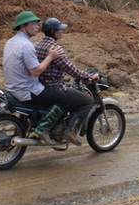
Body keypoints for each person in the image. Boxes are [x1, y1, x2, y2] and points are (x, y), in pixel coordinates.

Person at [2, 11, 69, 144]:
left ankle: (37, 121)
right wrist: (50, 56)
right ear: (23, 27)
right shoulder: (26, 46)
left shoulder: (11, 42)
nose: (37, 27)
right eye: (33, 24)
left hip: (13, 87)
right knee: (64, 99)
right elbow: (36, 71)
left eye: (37, 23)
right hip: (28, 90)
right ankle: (41, 130)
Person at [35, 17, 99, 146]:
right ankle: (70, 131)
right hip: (53, 86)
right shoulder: (55, 48)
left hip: (39, 85)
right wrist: (88, 76)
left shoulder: (38, 44)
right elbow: (70, 68)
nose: (62, 32)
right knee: (87, 101)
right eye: (60, 30)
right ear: (53, 31)